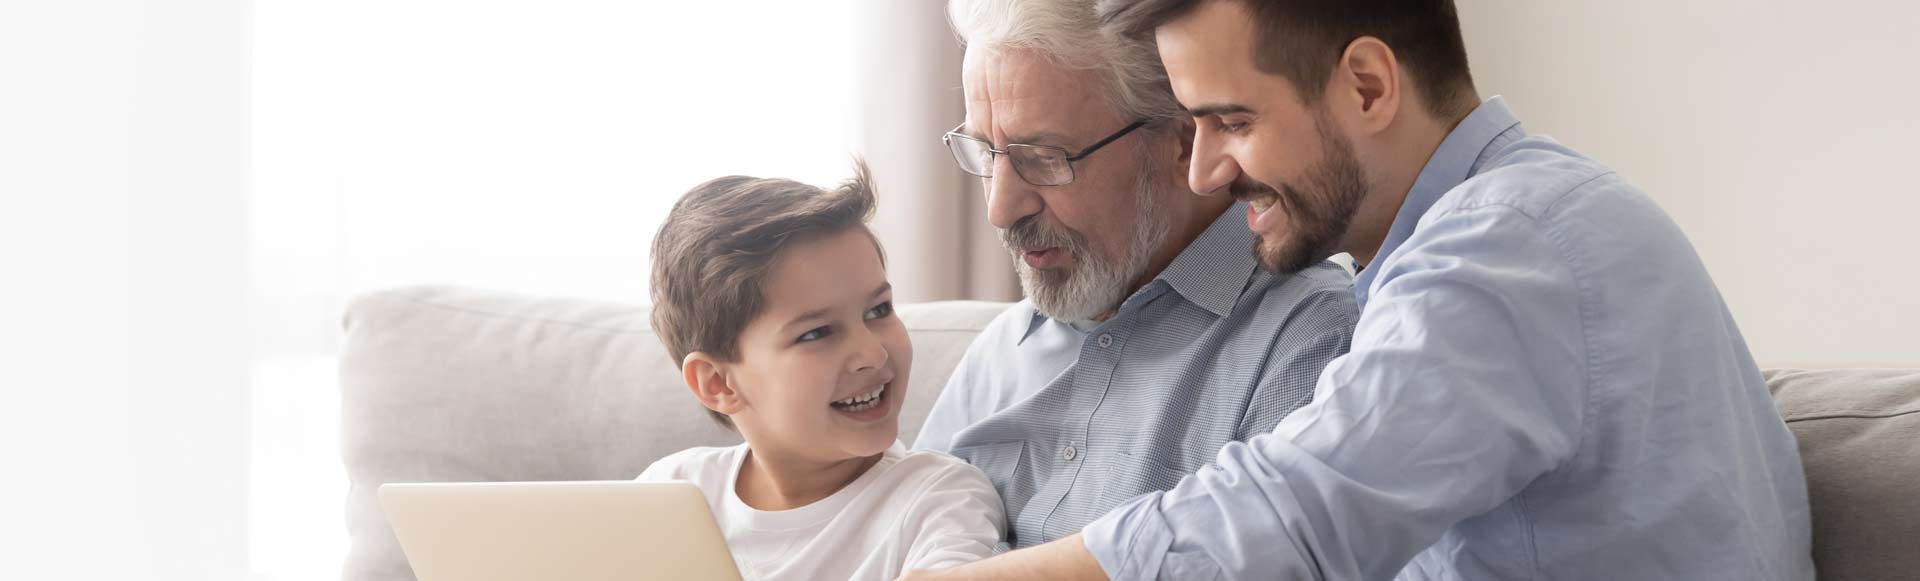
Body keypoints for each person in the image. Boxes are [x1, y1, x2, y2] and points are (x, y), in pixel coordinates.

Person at [906, 0, 1814, 579]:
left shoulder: (1506, 244)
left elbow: (1292, 515)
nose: (1207, 169)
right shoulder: (1514, 226)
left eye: (1232, 120)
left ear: (1370, 86)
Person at [913, 0, 1359, 551]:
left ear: (1183, 143)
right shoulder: (1003, 350)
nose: (1001, 208)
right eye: (986, 151)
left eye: (1046, 158)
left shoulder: (1310, 341)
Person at [639, 163, 1005, 579]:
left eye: (878, 310)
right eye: (817, 333)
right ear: (718, 383)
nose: (872, 353)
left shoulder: (939, 498)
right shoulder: (673, 492)